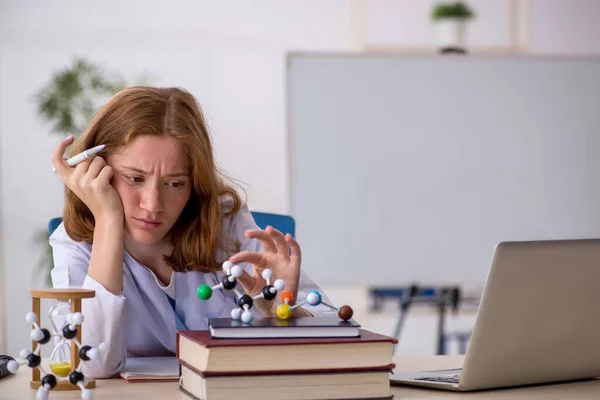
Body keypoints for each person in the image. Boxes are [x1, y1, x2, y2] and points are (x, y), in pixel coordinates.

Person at [49, 86, 333, 379]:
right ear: (97, 172)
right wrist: (108, 220)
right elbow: (92, 365)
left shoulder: (225, 223)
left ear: (194, 184)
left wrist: (281, 312)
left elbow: (335, 332)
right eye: (134, 179)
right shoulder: (75, 243)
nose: (152, 205)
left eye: (175, 184)